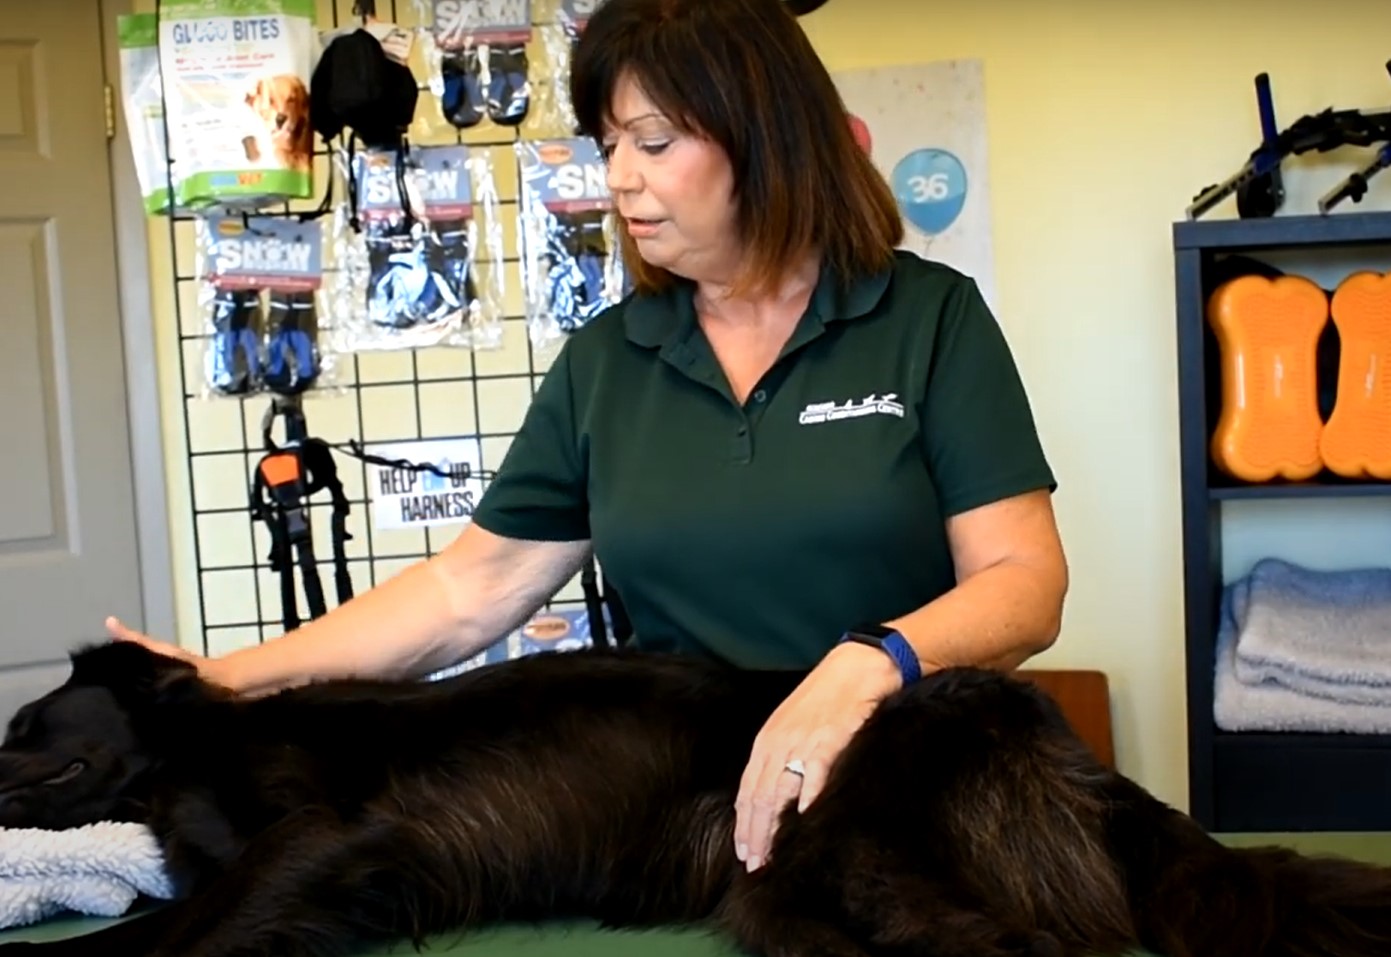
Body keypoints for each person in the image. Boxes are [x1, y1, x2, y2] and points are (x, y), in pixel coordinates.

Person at [110, 0, 1068, 881]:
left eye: (651, 142)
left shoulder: (927, 319)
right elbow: (465, 591)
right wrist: (223, 677)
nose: (617, 178)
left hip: (916, 776)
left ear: (763, 140)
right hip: (703, 813)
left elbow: (1025, 583)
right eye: (609, 144)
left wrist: (867, 663)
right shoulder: (610, 360)